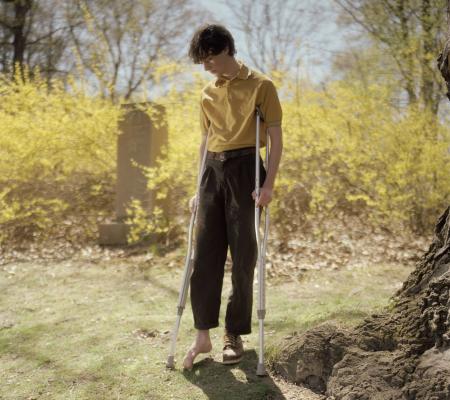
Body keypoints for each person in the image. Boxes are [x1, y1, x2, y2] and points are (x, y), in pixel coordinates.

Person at [183, 23, 283, 370]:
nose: (205, 65)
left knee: (243, 257)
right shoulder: (206, 93)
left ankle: (234, 334)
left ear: (226, 49)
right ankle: (202, 334)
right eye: (201, 60)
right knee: (205, 257)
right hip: (212, 171)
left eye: (208, 58)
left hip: (246, 169)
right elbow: (203, 141)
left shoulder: (261, 85)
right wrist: (197, 190)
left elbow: (276, 138)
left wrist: (268, 184)